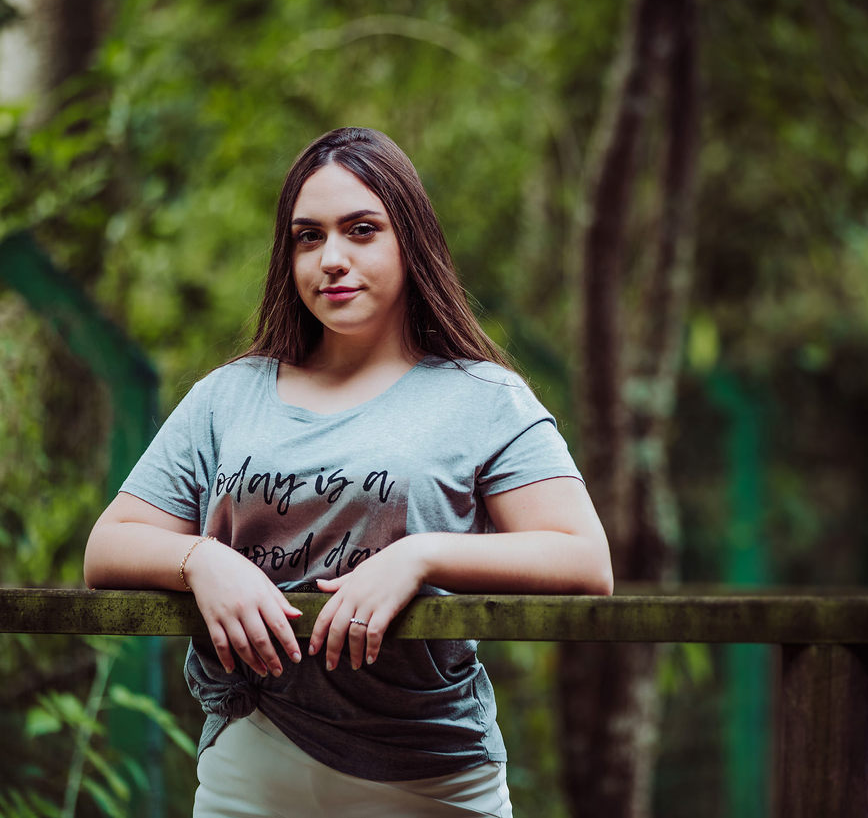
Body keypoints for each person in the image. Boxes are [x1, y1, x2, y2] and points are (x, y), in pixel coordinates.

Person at [84, 126, 613, 817]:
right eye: (309, 236)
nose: (332, 258)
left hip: (428, 772)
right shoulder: (228, 395)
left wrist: (420, 557)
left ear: (409, 242)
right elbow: (109, 544)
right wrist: (201, 560)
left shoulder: (483, 397)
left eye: (362, 229)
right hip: (252, 760)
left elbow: (584, 559)